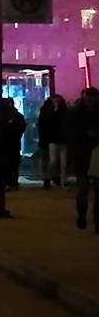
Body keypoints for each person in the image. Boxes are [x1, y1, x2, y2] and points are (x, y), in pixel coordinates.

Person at [67, 87, 99, 231]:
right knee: (84, 188)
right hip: (83, 153)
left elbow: (67, 130)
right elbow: (67, 130)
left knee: (87, 188)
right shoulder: (75, 112)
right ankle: (83, 216)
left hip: (86, 152)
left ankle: (90, 218)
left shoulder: (75, 111)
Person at [37, 95, 69, 189]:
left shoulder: (58, 110)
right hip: (53, 139)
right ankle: (51, 179)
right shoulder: (51, 110)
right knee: (54, 161)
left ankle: (55, 179)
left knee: (57, 162)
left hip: (55, 139)